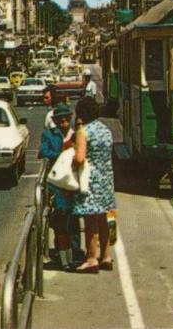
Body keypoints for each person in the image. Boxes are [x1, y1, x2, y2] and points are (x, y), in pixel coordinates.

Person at [71, 96, 116, 274]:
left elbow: (80, 158)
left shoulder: (84, 131)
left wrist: (72, 159)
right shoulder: (106, 130)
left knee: (91, 220)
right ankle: (106, 256)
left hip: (91, 180)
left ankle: (91, 259)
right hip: (106, 179)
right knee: (104, 219)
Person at [39, 103, 76, 269]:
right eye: (61, 120)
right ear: (56, 121)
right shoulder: (49, 135)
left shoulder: (75, 135)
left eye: (67, 119)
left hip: (73, 182)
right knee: (60, 221)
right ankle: (63, 258)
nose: (64, 123)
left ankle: (74, 253)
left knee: (74, 220)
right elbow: (43, 152)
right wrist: (61, 154)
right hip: (57, 184)